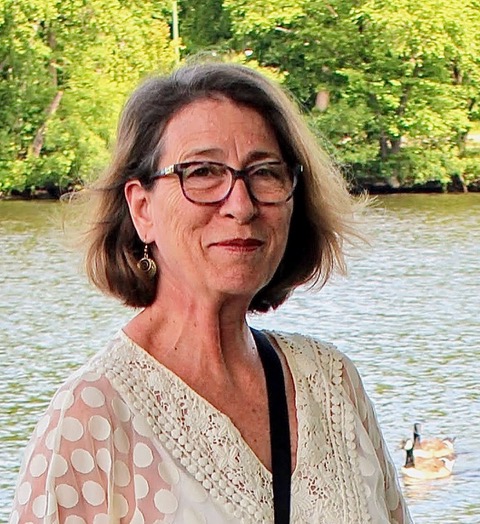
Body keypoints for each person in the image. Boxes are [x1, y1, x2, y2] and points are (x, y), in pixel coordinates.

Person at [10, 62, 412, 523]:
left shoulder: (333, 384)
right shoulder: (90, 420)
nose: (240, 205)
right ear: (143, 209)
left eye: (264, 173)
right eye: (201, 172)